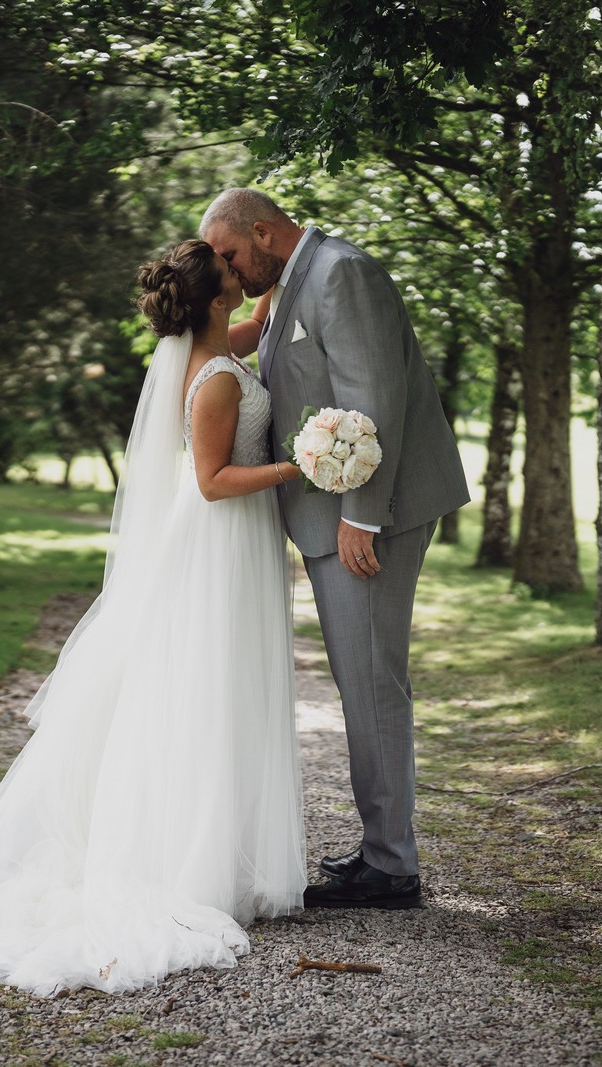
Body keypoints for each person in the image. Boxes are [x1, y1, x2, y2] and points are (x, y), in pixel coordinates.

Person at [0, 240, 306, 996]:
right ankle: (188, 858)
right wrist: (298, 466)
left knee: (215, 686)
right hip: (218, 540)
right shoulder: (212, 384)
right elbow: (211, 480)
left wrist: (280, 280)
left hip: (227, 544)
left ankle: (215, 843)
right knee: (206, 686)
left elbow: (254, 327)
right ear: (211, 300)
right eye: (232, 275)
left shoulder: (209, 349)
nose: (242, 279)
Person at [200, 189, 471, 909]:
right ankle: (381, 849)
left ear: (263, 231)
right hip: (338, 511)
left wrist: (364, 517)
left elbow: (371, 396)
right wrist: (180, 341)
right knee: (360, 680)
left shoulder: (341, 273)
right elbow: (272, 351)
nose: (225, 270)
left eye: (228, 254)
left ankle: (392, 867)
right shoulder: (294, 279)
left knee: (372, 681)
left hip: (370, 513)